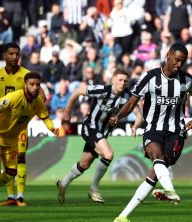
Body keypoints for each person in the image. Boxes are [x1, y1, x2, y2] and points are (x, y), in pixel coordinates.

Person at [109, 43, 192, 222]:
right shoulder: (151, 77)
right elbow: (132, 101)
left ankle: (121, 217)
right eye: (176, 60)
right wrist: (118, 116)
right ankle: (170, 190)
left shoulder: (187, 80)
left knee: (154, 173)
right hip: (153, 128)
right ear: (168, 56)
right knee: (156, 157)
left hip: (176, 131)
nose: (179, 64)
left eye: (182, 61)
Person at [0, 72, 59, 207]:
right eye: (31, 84)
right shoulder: (14, 97)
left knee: (11, 171)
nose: (35, 87)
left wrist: (52, 128)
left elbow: (45, 117)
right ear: (25, 85)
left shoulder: (38, 102)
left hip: (11, 140)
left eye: (37, 85)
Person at [0, 42, 47, 207]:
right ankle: (11, 195)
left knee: (20, 159)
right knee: (6, 164)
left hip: (19, 127)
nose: (15, 57)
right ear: (4, 56)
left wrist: (30, 111)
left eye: (17, 54)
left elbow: (42, 96)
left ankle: (20, 196)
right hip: (1, 125)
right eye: (11, 54)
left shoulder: (26, 75)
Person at [56, 69, 143, 204]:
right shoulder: (102, 90)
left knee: (84, 164)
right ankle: (94, 188)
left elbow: (139, 115)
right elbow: (77, 92)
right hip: (90, 127)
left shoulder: (127, 96)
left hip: (103, 133)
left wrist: (135, 126)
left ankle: (63, 183)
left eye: (125, 81)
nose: (123, 83)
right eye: (120, 80)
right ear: (113, 79)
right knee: (108, 154)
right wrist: (67, 113)